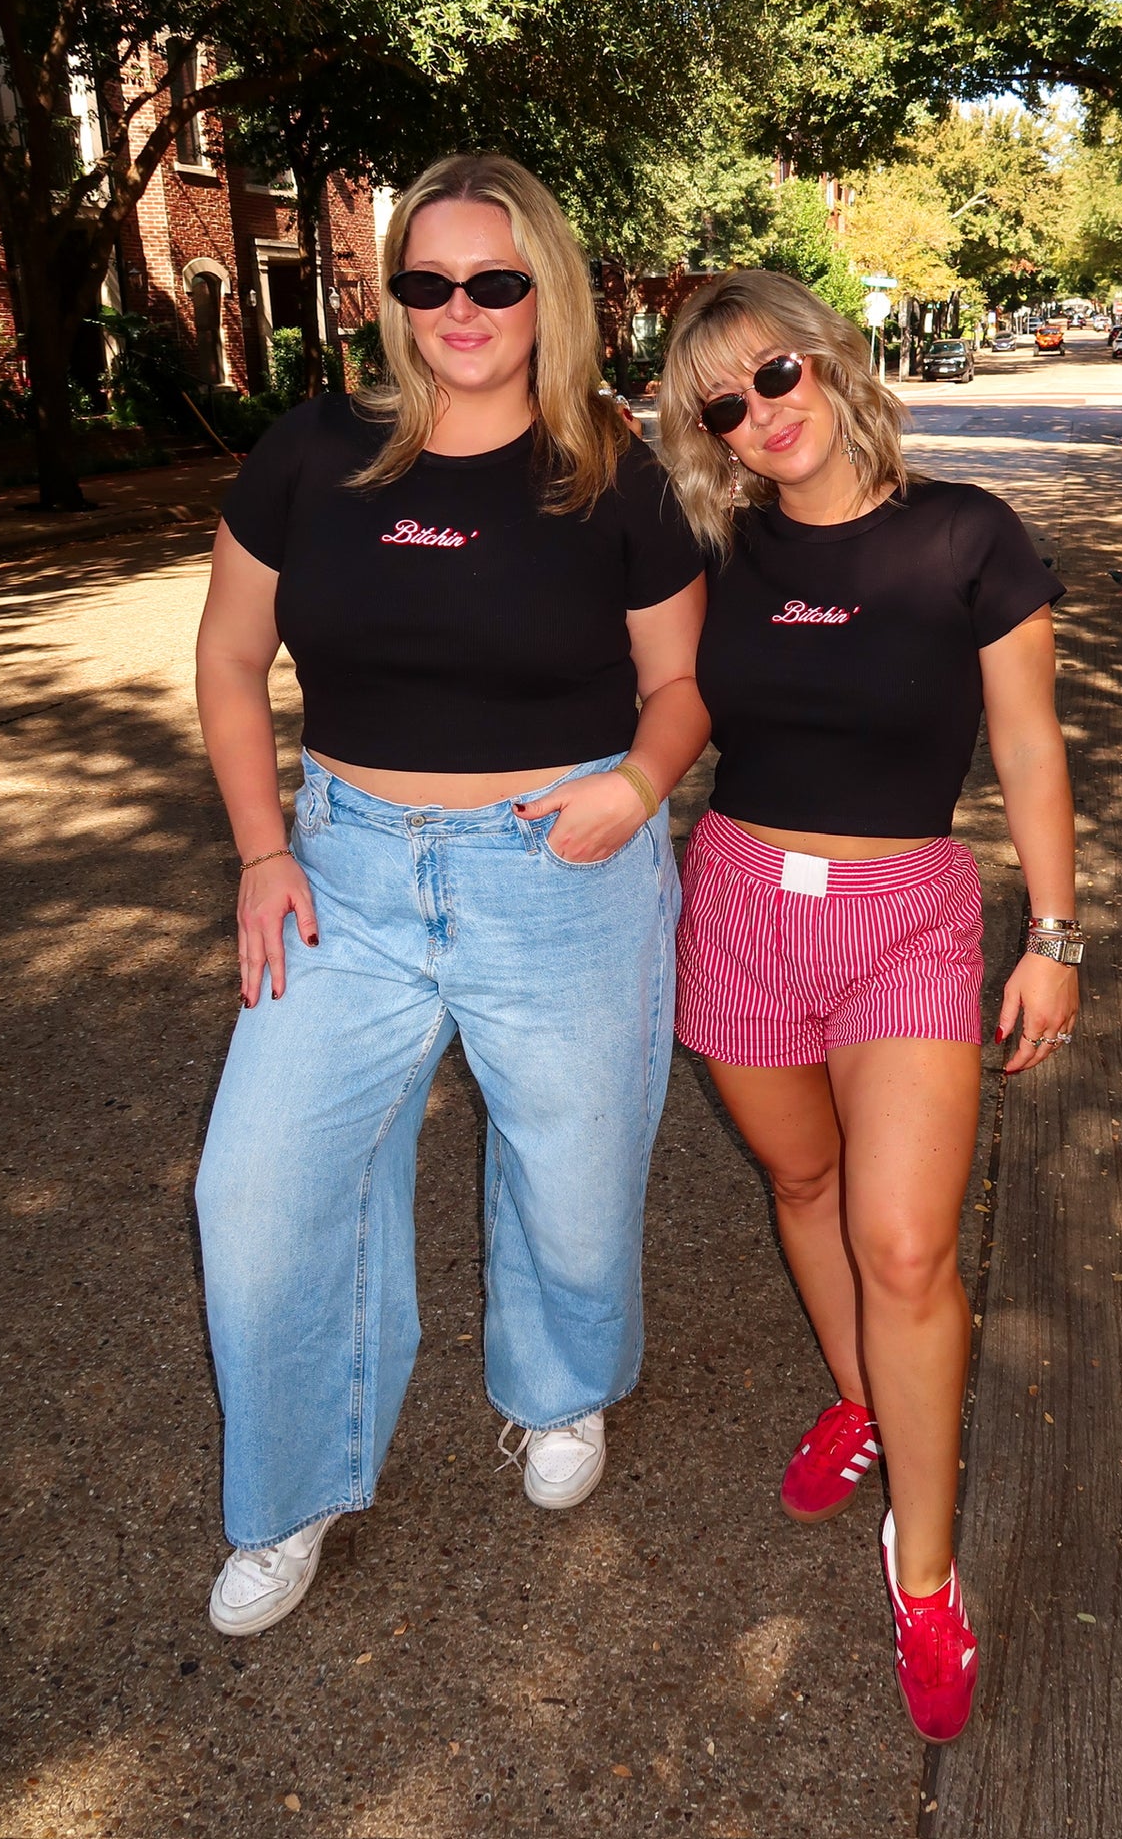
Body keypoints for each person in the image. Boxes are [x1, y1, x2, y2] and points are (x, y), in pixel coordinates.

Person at [194, 153, 707, 1636]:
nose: (461, 309)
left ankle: (556, 1389)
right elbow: (233, 661)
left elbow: (677, 686)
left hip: (561, 869)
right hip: (345, 871)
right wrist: (261, 848)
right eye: (428, 282)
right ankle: (292, 1486)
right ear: (390, 295)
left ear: (547, 287)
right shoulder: (313, 451)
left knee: (574, 1167)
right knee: (260, 1184)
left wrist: (635, 786)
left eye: (495, 281)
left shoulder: (618, 468)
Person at [656, 269, 1079, 1744]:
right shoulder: (710, 549)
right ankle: (860, 1403)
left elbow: (1026, 746)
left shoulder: (967, 534)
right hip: (739, 903)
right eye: (721, 401)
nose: (759, 412)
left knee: (903, 1244)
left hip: (906, 913)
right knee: (802, 1179)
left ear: (828, 360)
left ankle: (923, 1572)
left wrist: (1056, 931)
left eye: (774, 374)